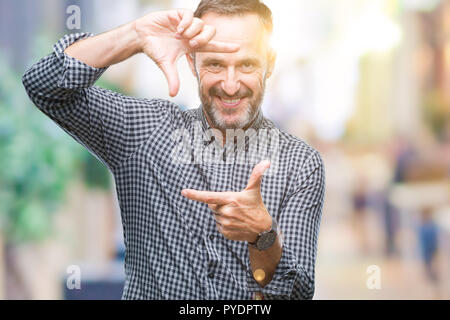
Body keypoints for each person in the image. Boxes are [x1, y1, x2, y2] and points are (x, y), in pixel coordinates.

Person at [22, 0, 325, 300]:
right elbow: (44, 85)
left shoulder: (301, 164)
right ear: (192, 62)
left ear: (269, 62)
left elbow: (296, 293)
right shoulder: (145, 131)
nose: (230, 85)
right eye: (215, 64)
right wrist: (134, 36)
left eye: (246, 64)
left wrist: (263, 236)